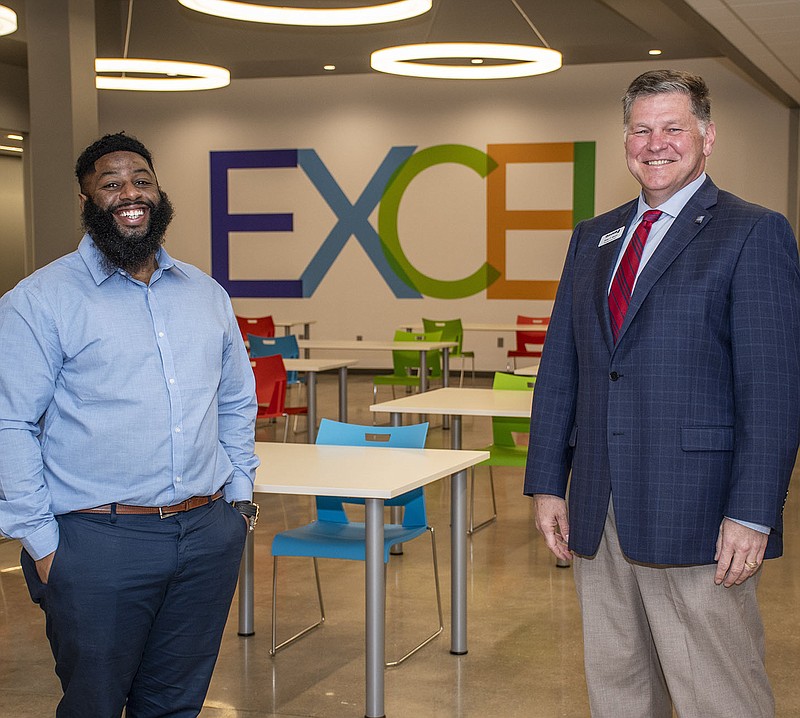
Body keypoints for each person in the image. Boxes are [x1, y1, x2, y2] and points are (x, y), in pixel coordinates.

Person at [524, 69, 800, 718]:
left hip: (699, 515)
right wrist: (546, 483)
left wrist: (753, 511)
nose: (656, 143)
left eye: (674, 128)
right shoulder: (594, 237)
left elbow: (774, 389)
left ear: (708, 137)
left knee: (717, 693)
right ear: (625, 140)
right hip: (600, 503)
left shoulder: (752, 232)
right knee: (617, 687)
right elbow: (562, 367)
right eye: (641, 129)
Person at [0, 132, 260, 717]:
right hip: (97, 541)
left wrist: (238, 497)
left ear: (159, 192)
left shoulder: (204, 294)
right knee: (94, 704)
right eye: (110, 183)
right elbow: (9, 423)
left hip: (205, 533)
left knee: (175, 704)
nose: (129, 192)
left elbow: (237, 400)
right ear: (88, 200)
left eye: (140, 179)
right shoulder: (39, 300)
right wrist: (41, 542)